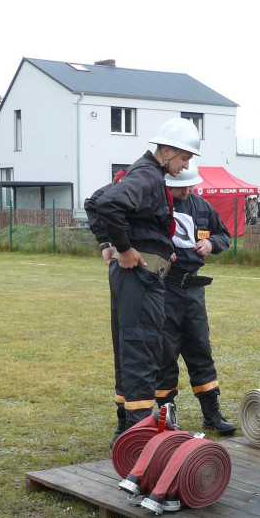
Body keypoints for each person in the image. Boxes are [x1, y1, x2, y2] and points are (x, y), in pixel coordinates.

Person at [85, 117, 200, 446]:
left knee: (128, 349)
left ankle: (125, 430)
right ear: (165, 151)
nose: (185, 165)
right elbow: (106, 205)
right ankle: (139, 436)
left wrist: (111, 244)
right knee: (141, 351)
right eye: (184, 158)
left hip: (135, 276)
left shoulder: (143, 173)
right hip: (140, 279)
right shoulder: (148, 175)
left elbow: (95, 202)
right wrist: (121, 247)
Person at [155, 159, 237, 435]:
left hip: (193, 291)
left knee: (200, 349)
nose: (186, 192)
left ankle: (211, 415)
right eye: (180, 189)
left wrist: (211, 243)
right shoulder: (156, 207)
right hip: (164, 289)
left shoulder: (202, 207)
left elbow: (224, 235)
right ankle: (165, 416)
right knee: (165, 352)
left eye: (190, 187)